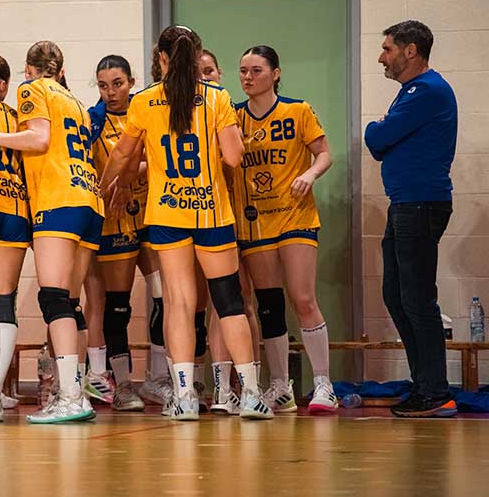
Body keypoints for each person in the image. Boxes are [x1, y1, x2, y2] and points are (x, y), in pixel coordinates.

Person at [101, 26, 272, 420]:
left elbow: (122, 155)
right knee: (228, 302)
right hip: (211, 212)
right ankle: (248, 394)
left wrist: (107, 187)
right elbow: (233, 157)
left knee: (179, 303)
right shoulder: (216, 98)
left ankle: (184, 397)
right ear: (196, 58)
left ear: (161, 59)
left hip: (166, 213)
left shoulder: (144, 101)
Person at [0, 41, 101, 424]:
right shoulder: (74, 101)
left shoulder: (32, 89)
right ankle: (73, 390)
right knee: (71, 304)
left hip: (58, 199)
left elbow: (38, 138)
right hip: (90, 199)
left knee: (54, 299)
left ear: (28, 68)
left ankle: (70, 394)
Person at [231, 45, 335, 414]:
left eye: (256, 70)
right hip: (255, 221)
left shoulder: (298, 110)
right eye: (243, 70)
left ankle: (324, 384)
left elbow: (324, 152)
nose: (247, 77)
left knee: (303, 299)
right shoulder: (232, 117)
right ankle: (280, 386)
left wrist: (309, 173)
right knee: (269, 307)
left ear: (275, 73)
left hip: (295, 216)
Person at [365, 20, 458, 418]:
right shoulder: (412, 93)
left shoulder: (426, 91)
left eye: (388, 49)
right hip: (406, 203)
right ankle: (425, 385)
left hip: (420, 204)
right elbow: (383, 144)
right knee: (396, 294)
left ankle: (436, 392)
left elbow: (377, 139)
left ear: (411, 51)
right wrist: (383, 131)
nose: (382, 57)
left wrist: (378, 127)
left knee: (418, 300)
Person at [81, 54, 158, 412]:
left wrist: (131, 174)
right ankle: (123, 383)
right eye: (103, 85)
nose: (111, 92)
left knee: (165, 297)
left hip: (154, 214)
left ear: (131, 81)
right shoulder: (93, 121)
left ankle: (158, 379)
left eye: (117, 84)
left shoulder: (147, 111)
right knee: (118, 307)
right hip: (114, 220)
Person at [198, 48, 263, 414]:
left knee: (243, 303)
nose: (205, 78)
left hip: (242, 217)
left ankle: (251, 384)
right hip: (207, 216)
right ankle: (223, 390)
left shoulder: (227, 109)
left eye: (209, 71)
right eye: (198, 73)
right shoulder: (187, 113)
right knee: (214, 307)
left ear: (219, 73)